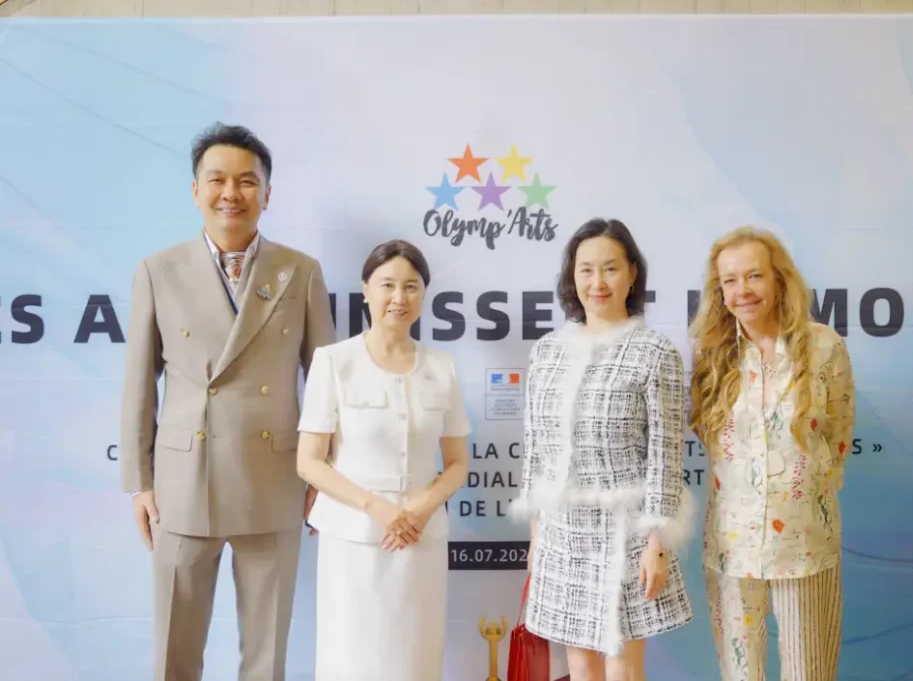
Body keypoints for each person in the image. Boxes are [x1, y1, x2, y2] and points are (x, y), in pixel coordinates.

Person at [119, 122, 336, 681]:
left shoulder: (300, 271)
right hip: (182, 482)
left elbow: (328, 383)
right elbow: (139, 383)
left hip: (275, 478)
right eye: (217, 179)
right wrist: (140, 482)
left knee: (266, 655)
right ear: (196, 191)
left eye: (246, 181)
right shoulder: (157, 270)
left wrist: (322, 475)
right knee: (175, 650)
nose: (231, 193)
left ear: (267, 193)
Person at [510, 218, 697, 680]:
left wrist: (657, 543)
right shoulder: (548, 352)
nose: (597, 282)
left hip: (627, 530)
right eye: (586, 269)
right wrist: (537, 537)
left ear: (632, 273)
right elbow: (537, 451)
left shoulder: (655, 352)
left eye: (610, 269)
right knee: (579, 663)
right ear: (571, 277)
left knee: (622, 666)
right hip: (561, 531)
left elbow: (666, 458)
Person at [295, 239, 472, 681]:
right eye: (387, 285)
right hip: (353, 540)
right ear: (366, 290)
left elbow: (457, 463)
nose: (399, 298)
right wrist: (378, 508)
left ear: (424, 294)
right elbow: (310, 462)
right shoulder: (334, 361)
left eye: (411, 286)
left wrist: (421, 508)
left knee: (415, 658)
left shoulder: (442, 366)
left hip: (420, 540)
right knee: (352, 658)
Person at [689, 226, 856, 681]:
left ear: (779, 279)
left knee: (809, 672)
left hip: (804, 544)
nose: (742, 290)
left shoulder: (825, 348)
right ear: (719, 291)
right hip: (731, 547)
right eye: (729, 280)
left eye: (754, 276)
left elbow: (839, 437)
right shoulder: (712, 356)